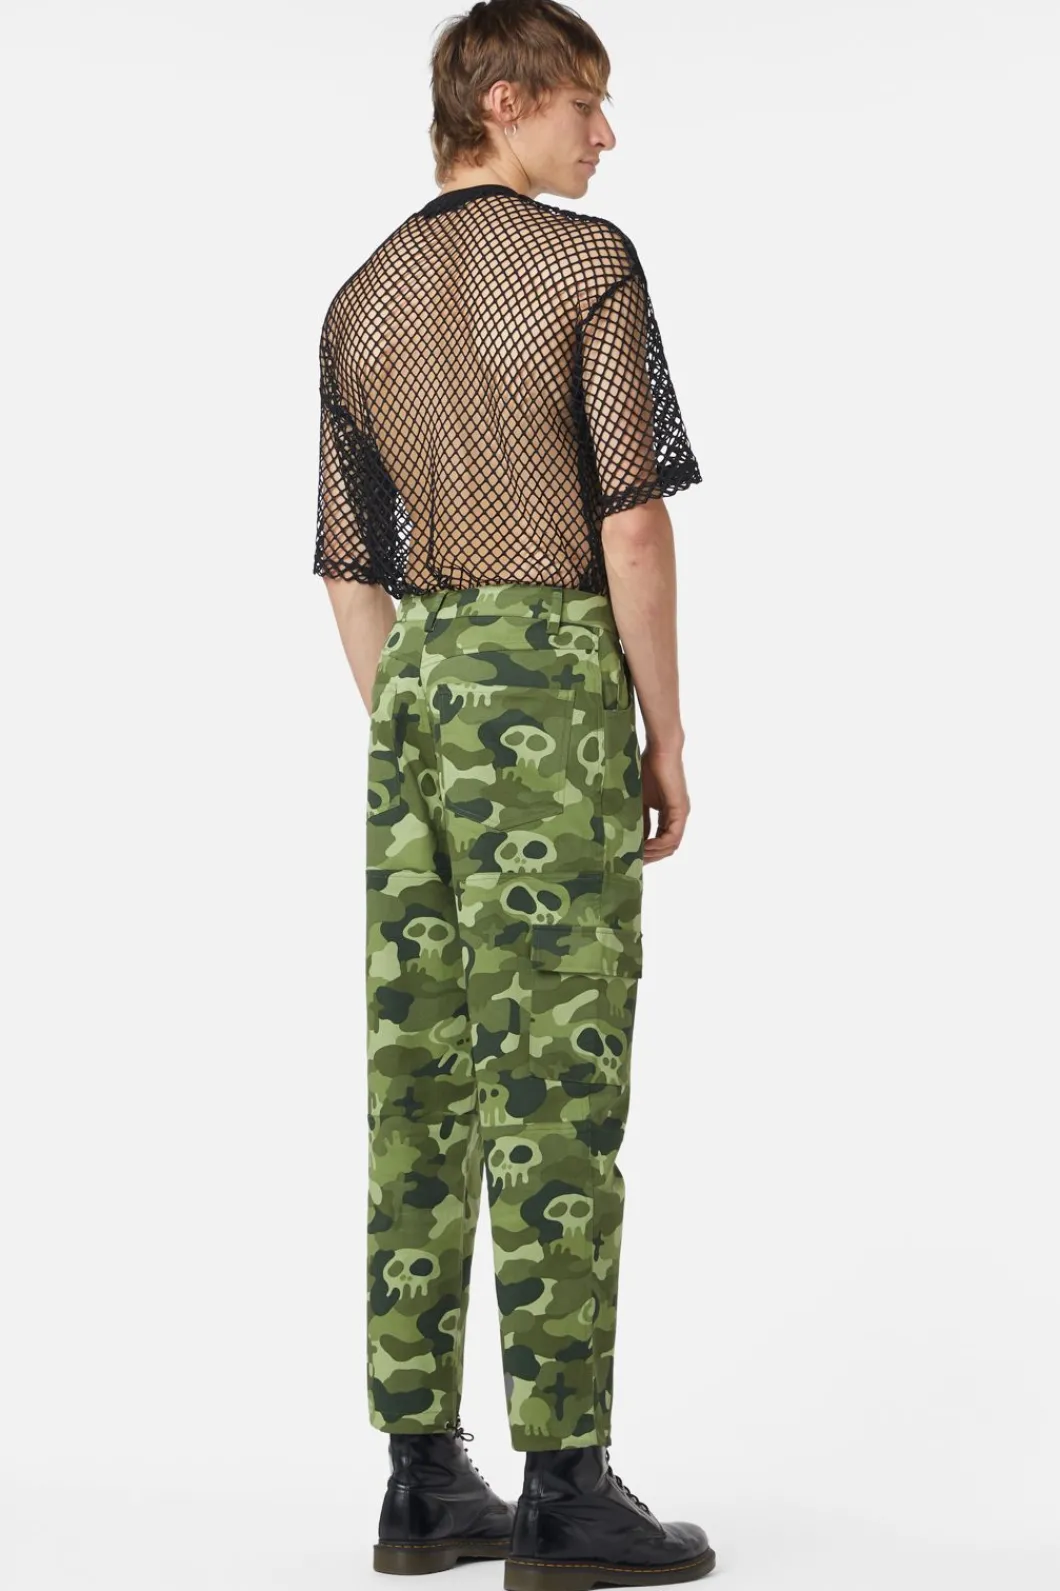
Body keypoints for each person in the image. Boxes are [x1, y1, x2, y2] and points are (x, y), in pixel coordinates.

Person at [313, 2, 715, 1584]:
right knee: (557, 1077)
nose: (604, 136)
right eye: (583, 104)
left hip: (416, 691)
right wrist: (662, 731)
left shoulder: (359, 301)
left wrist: (427, 719)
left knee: (419, 1073)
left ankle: (422, 1476)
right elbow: (632, 524)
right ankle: (564, 1482)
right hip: (547, 681)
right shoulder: (583, 267)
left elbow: (351, 571)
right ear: (503, 100)